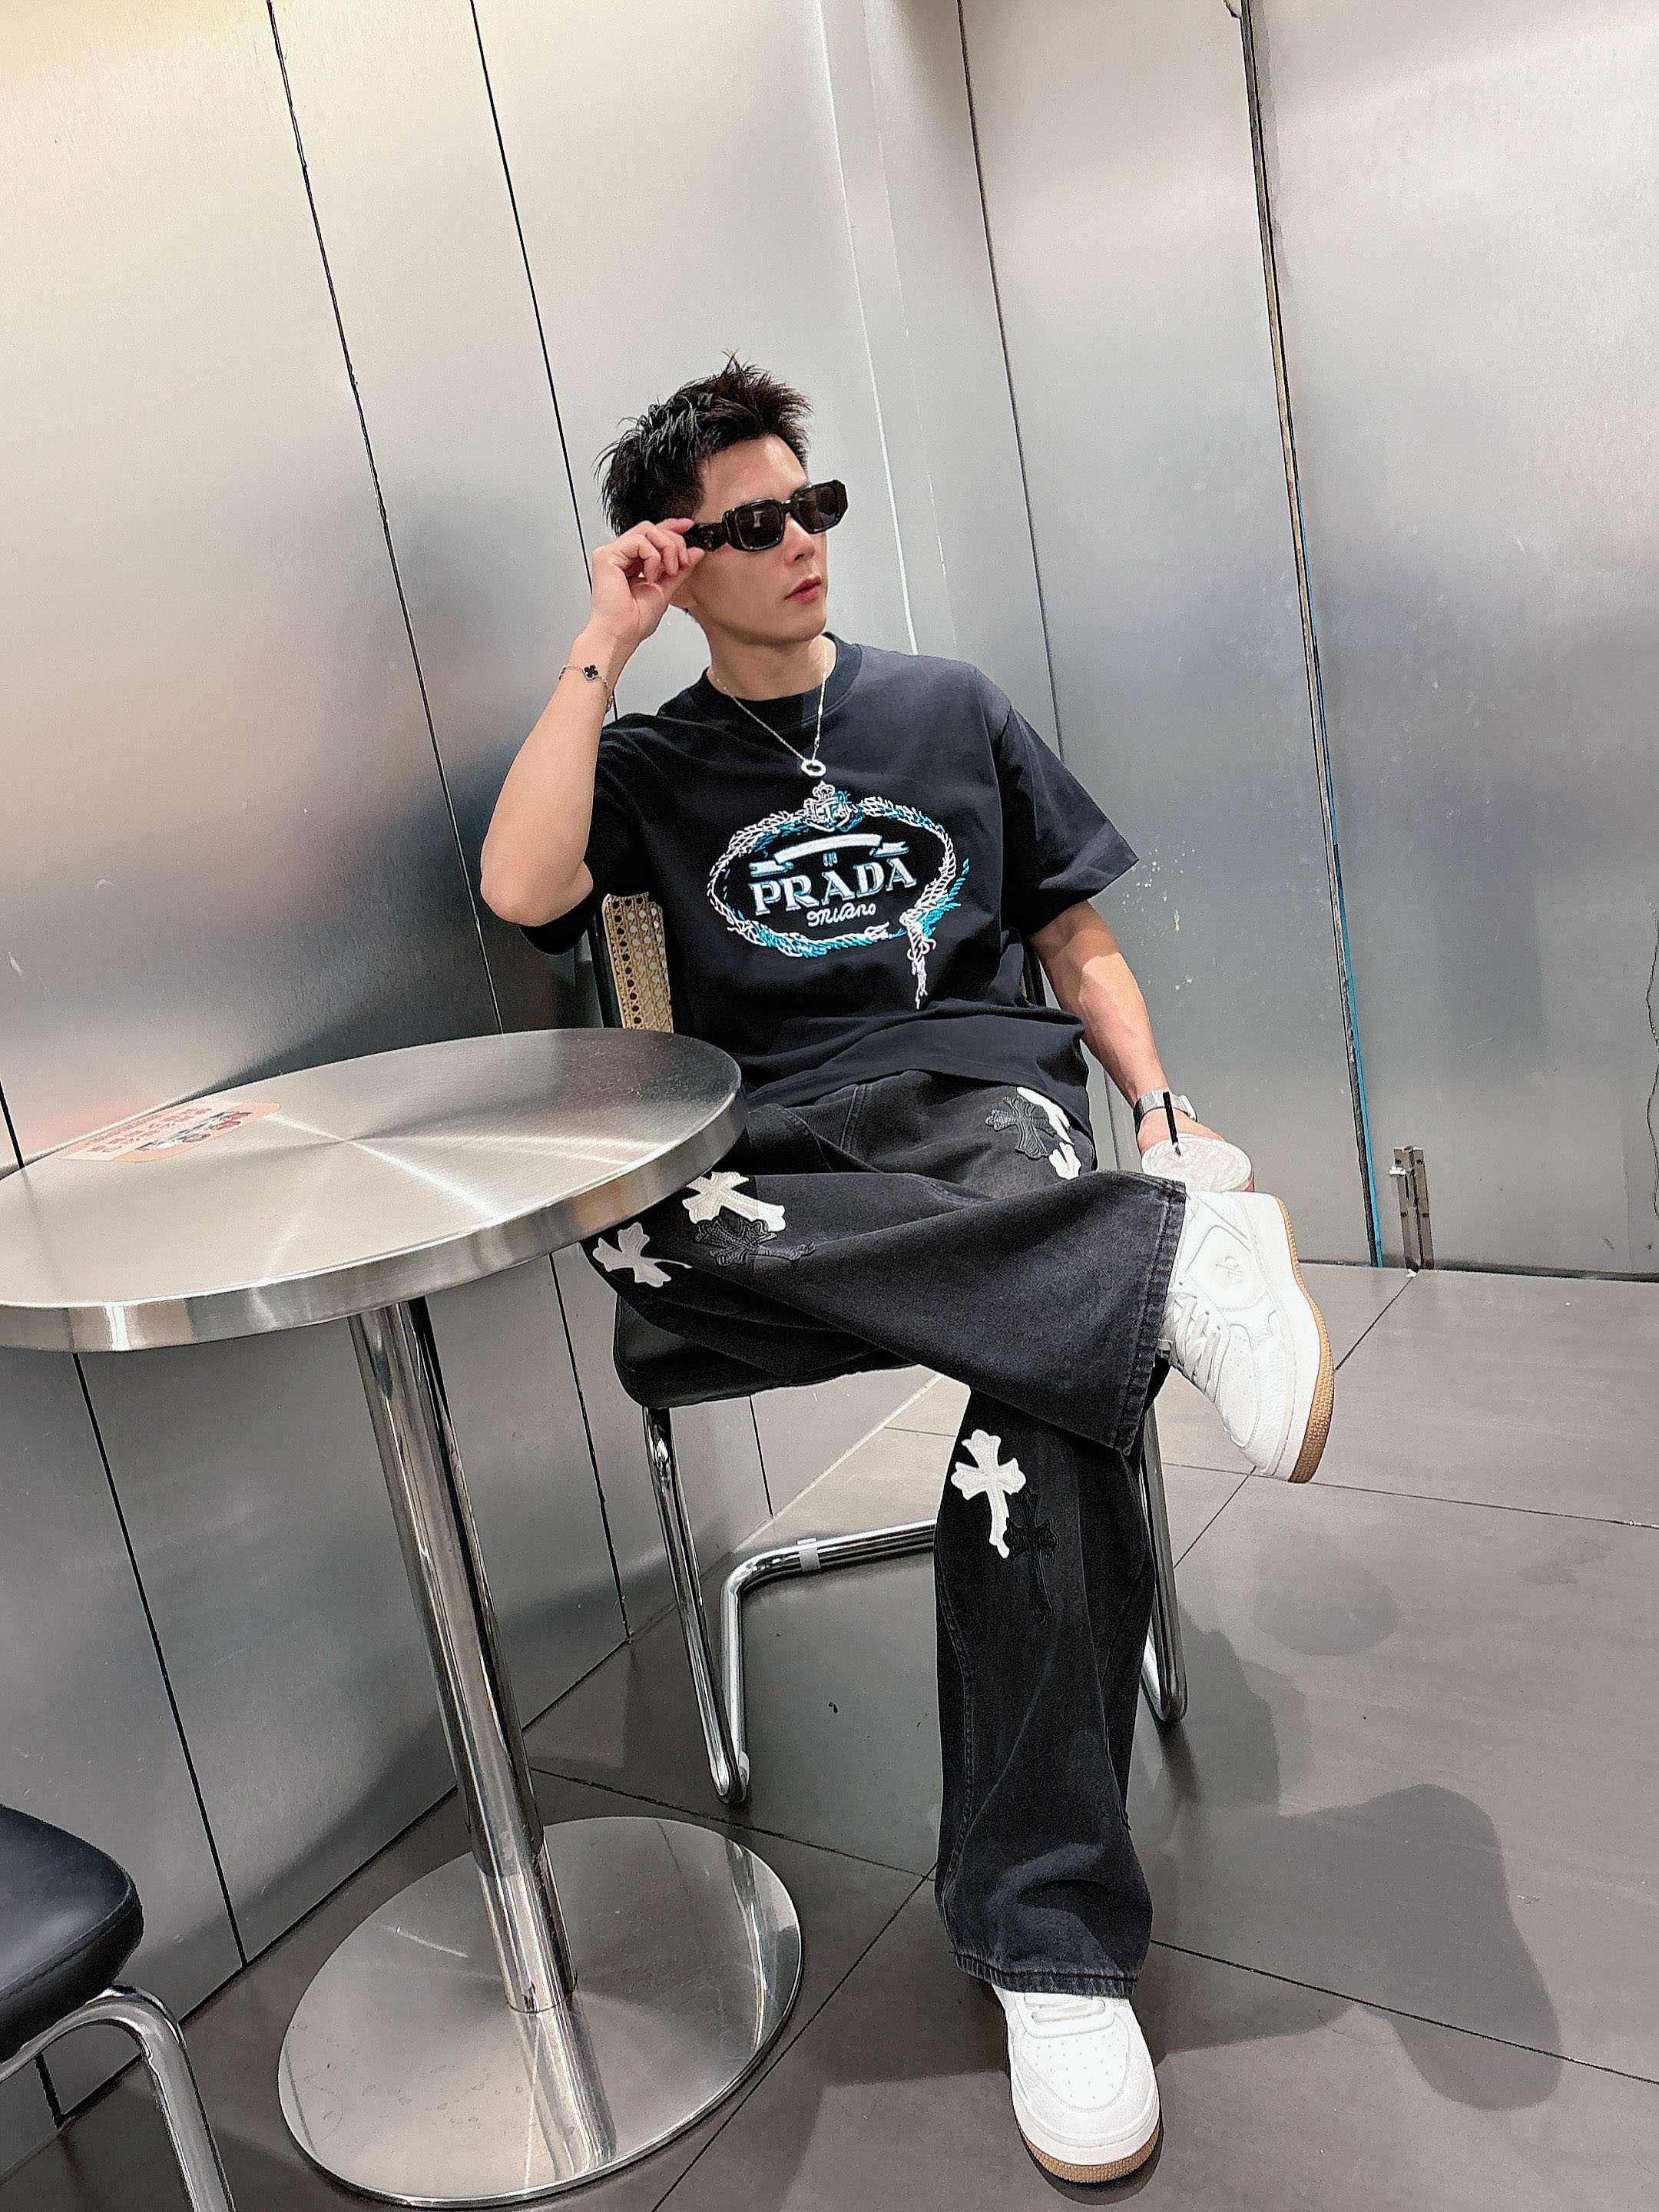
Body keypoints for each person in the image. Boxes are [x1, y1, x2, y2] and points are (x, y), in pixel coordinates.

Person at [481, 354, 1334, 2184]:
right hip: (767, 1150)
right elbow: (522, 891)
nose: (801, 542)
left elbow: (1073, 935)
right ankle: (1151, 1266)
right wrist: (602, 643)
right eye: (754, 524)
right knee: (656, 1235)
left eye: (815, 506)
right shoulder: (646, 764)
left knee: (1044, 1401)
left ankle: (1049, 1945)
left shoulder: (951, 706)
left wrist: (1158, 1111)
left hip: (975, 1110)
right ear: (677, 560)